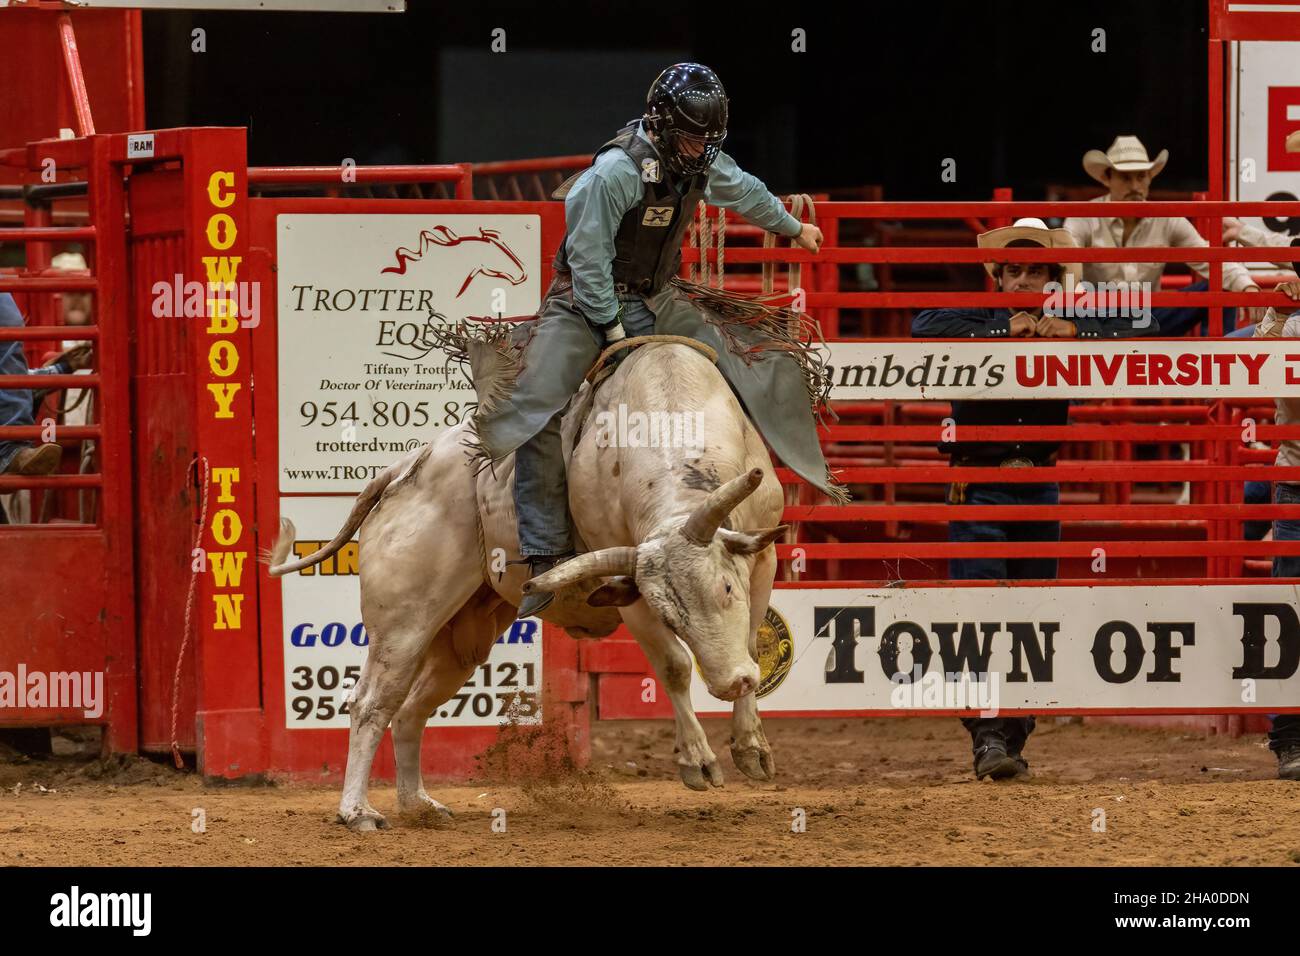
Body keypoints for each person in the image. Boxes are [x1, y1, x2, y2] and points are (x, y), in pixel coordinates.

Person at [471, 63, 837, 618]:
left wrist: (790, 225)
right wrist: (613, 329)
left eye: (708, 140)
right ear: (663, 127)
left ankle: (737, 509)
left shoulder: (701, 164)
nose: (699, 149)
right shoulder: (614, 173)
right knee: (536, 406)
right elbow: (588, 260)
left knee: (756, 361)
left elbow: (745, 190)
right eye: (691, 138)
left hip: (657, 295)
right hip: (583, 301)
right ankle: (545, 554)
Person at [912, 217, 1156, 780]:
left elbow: (1147, 321)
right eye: (1015, 268)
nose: (1024, 278)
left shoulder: (1073, 320)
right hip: (979, 482)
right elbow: (922, 325)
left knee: (1031, 610)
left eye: (1036, 270)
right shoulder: (973, 320)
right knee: (981, 610)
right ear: (999, 276)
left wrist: (1079, 334)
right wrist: (1003, 334)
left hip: (1037, 483)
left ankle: (1009, 736)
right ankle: (991, 736)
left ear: (1053, 278)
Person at [1064, 135, 1263, 336]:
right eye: (1125, 177)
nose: (1134, 186)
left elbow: (1209, 257)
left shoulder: (1167, 219)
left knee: (1222, 286)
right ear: (1107, 179)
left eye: (1141, 176)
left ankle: (1214, 358)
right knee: (1075, 297)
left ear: (1150, 178)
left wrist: (1248, 287)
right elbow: (1065, 268)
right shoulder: (1084, 217)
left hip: (1150, 316)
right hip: (1099, 315)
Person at [1250, 276, 1300, 780]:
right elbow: (1255, 371)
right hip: (1296, 484)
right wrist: (1281, 315)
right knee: (1289, 612)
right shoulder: (1286, 322)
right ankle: (1290, 738)